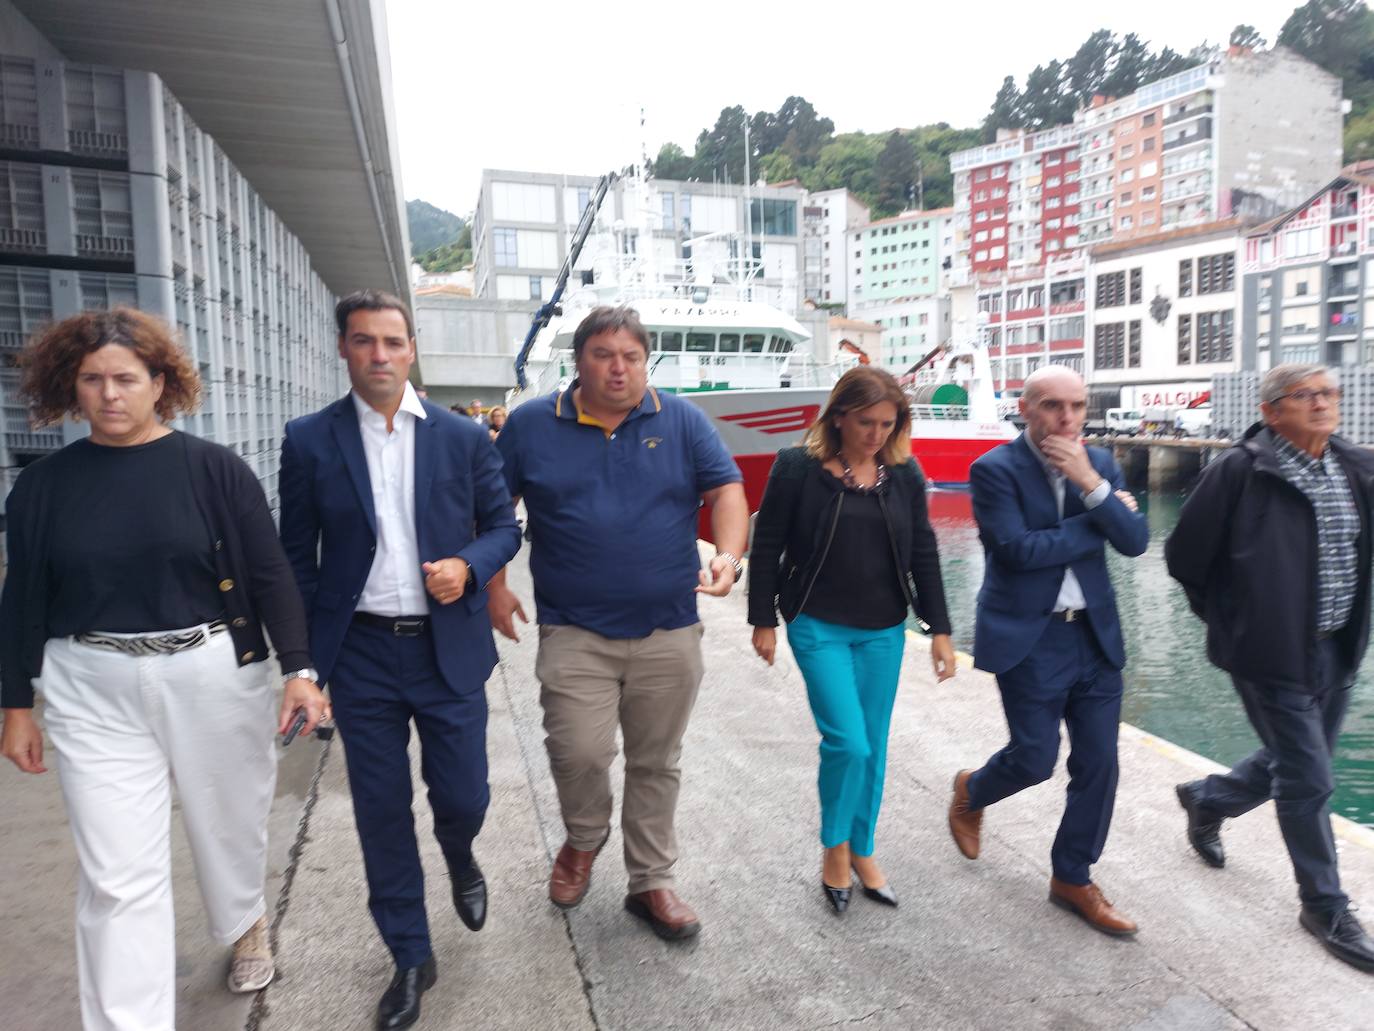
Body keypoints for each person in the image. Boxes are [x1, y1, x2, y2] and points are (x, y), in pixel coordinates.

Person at [0, 309, 327, 1031]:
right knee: (116, 876)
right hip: (90, 683)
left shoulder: (213, 469)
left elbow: (270, 574)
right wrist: (13, 700)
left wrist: (299, 667)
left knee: (229, 825)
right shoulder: (43, 487)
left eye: (125, 378)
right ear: (71, 386)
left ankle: (245, 920)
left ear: (160, 383)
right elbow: (21, 594)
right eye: (92, 380)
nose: (109, 394)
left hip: (211, 672)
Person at [279, 290, 521, 1029]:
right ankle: (411, 955)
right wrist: (308, 666)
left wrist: (471, 567)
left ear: (411, 349)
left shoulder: (461, 437)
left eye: (391, 341)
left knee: (465, 794)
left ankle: (460, 850)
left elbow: (504, 528)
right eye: (363, 342)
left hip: (447, 647)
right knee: (381, 813)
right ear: (345, 350)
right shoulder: (309, 439)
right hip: (360, 656)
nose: (378, 355)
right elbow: (297, 557)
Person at [488, 305, 748, 941]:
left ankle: (651, 882)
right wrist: (493, 586)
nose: (618, 368)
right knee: (577, 751)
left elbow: (728, 491)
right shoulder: (530, 425)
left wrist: (730, 558)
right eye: (604, 354)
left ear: (645, 362)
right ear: (579, 361)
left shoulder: (681, 420)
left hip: (669, 629)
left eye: (632, 356)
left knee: (657, 762)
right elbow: (494, 509)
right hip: (575, 628)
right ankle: (583, 839)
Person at [1166, 364, 1374, 973]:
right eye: (1304, 395)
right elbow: (1186, 556)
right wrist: (1239, 620)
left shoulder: (1355, 465)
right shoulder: (1241, 469)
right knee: (1309, 779)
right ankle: (1323, 905)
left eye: (1329, 393)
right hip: (1269, 650)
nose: (1321, 404)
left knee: (1295, 761)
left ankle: (1209, 799)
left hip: (1336, 643)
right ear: (1273, 408)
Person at [947, 365, 1148, 936]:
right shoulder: (994, 470)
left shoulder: (1101, 465)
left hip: (1094, 635)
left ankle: (1072, 876)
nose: (1068, 418)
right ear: (1026, 408)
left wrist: (1093, 487)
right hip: (1032, 638)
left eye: (1078, 406)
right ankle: (972, 790)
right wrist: (1103, 517)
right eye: (1054, 406)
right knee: (1035, 759)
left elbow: (1135, 542)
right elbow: (1016, 552)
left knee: (1100, 764)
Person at [747, 367, 956, 914]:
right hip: (818, 627)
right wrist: (762, 618)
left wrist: (940, 631)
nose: (876, 434)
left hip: (884, 630)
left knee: (876, 746)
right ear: (838, 415)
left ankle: (864, 849)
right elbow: (766, 544)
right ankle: (834, 849)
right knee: (849, 742)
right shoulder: (797, 468)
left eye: (888, 423)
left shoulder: (904, 474)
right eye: (866, 422)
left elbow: (924, 554)